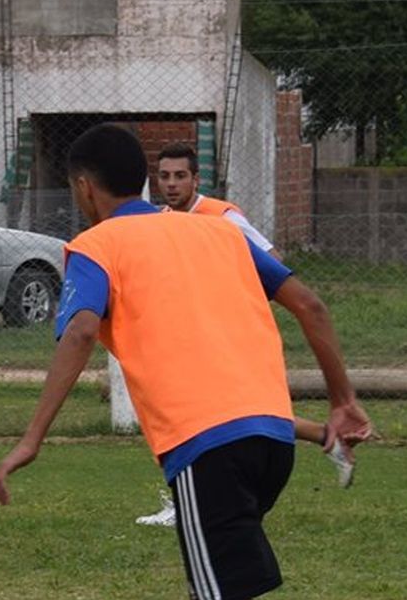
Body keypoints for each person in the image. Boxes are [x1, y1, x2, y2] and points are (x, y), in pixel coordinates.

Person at [0, 123, 407, 600]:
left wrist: (31, 437)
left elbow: (78, 330)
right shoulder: (221, 227)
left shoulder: (94, 246)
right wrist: (341, 400)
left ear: (83, 187)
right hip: (271, 436)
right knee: (212, 590)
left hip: (205, 441)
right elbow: (310, 302)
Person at [131, 142, 356, 529]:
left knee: (218, 415)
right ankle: (325, 438)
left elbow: (273, 261)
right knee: (206, 413)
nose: (171, 184)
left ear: (196, 179)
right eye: (164, 177)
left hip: (226, 335)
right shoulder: (161, 219)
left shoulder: (223, 217)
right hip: (188, 335)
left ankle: (196, 501)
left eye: (180, 176)